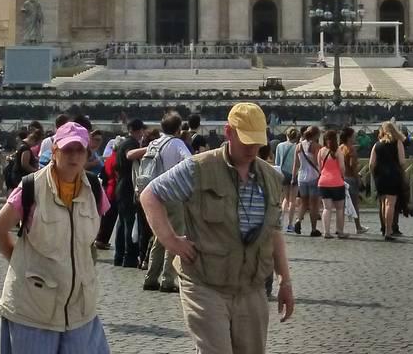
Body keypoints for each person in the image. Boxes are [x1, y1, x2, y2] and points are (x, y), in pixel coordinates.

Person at [140, 102, 293, 354]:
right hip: (204, 283)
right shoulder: (198, 168)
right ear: (228, 132)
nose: (253, 149)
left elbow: (274, 232)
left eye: (257, 142)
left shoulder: (272, 177)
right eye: (246, 141)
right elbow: (150, 195)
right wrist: (170, 239)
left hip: (251, 287)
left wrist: (285, 281)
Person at [0, 121, 111, 353]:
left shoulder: (95, 189)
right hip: (33, 310)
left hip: (80, 309)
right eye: (67, 149)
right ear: (55, 151)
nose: (73, 156)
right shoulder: (30, 188)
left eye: (80, 150)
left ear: (87, 153)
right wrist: (20, 263)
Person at [137, 112, 191, 292]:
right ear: (178, 129)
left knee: (159, 237)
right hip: (173, 194)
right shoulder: (177, 143)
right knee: (174, 235)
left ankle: (151, 277)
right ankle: (168, 279)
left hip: (154, 195)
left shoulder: (154, 143)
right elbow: (190, 163)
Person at [112, 119, 149, 267]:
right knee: (129, 222)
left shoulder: (122, 143)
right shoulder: (131, 144)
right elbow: (130, 155)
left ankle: (119, 256)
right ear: (137, 130)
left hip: (120, 185)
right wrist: (151, 148)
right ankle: (130, 257)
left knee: (121, 223)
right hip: (127, 186)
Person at [369, 120, 407, 240]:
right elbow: (402, 161)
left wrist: (374, 174)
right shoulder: (398, 143)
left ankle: (384, 227)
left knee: (383, 203)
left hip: (380, 176)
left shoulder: (377, 145)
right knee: (390, 203)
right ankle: (388, 230)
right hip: (393, 175)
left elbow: (371, 164)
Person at [315, 128, 347, 238]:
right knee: (339, 208)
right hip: (337, 182)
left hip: (323, 182)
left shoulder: (321, 151)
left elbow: (319, 167)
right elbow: (342, 167)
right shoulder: (338, 151)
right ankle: (340, 231)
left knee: (326, 208)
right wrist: (342, 176)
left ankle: (326, 232)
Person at [291, 124, 322, 236]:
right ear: (316, 135)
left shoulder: (298, 146)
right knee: (314, 205)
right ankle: (313, 229)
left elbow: (296, 164)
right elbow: (318, 163)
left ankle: (298, 221)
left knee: (303, 203)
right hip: (313, 176)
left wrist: (293, 177)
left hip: (301, 177)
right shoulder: (316, 146)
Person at [339, 127, 366, 232]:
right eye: (354, 135)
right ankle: (358, 227)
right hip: (350, 178)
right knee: (354, 204)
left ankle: (339, 227)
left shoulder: (340, 147)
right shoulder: (351, 149)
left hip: (342, 178)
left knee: (341, 205)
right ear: (349, 137)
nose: (355, 137)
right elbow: (353, 166)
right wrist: (359, 179)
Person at [273, 127, 299, 232]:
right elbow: (298, 163)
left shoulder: (280, 146)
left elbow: (277, 162)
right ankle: (290, 224)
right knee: (292, 200)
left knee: (284, 199)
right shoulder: (297, 147)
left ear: (286, 135)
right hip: (294, 174)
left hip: (283, 174)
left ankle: (281, 222)